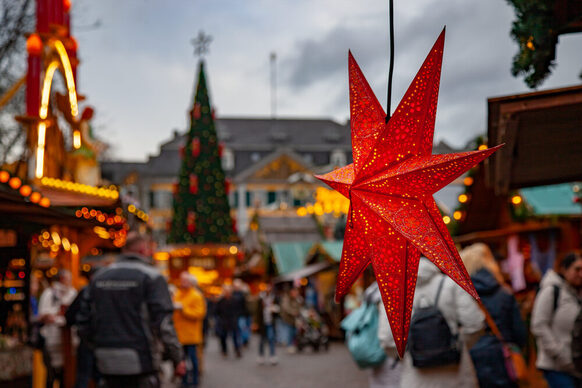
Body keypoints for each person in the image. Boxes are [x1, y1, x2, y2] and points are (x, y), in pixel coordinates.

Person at [77, 232, 185, 388]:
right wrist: (177, 357)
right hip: (141, 361)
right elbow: (163, 324)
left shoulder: (100, 277)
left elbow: (83, 322)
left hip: (106, 360)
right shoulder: (152, 277)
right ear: (143, 250)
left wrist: (97, 347)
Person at [400, 257, 485, 388]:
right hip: (457, 375)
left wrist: (413, 351)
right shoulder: (451, 284)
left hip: (416, 379)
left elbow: (388, 340)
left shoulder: (396, 293)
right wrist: (455, 345)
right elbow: (475, 324)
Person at [461, 243, 527, 388]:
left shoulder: (461, 295)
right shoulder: (504, 292)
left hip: (473, 361)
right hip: (504, 360)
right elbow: (519, 332)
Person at [531, 252, 582, 388]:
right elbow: (539, 325)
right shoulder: (551, 291)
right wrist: (560, 353)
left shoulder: (576, 292)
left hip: (576, 367)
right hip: (557, 367)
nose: (580, 274)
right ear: (564, 269)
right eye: (577, 269)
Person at [38, 269, 77, 388]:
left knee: (66, 376)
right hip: (51, 340)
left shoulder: (73, 293)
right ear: (61, 279)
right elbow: (43, 315)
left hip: (68, 342)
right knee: (51, 375)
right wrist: (56, 315)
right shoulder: (49, 293)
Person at [173, 272, 206, 388]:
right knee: (181, 360)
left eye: (185, 281)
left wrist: (183, 309)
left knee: (193, 359)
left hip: (191, 335)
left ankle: (195, 380)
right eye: (182, 280)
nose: (183, 283)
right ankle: (184, 380)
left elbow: (200, 313)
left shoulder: (196, 295)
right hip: (179, 334)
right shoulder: (177, 294)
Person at [368, 282, 401, 388]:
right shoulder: (393, 289)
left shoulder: (371, 290)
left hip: (375, 343)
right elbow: (387, 338)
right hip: (392, 349)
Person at [215, 284, 242, 358]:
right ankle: (224, 350)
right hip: (224, 321)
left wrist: (236, 317)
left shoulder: (235, 300)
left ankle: (237, 350)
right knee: (223, 337)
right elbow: (217, 311)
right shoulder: (221, 301)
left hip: (233, 320)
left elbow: (239, 309)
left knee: (235, 337)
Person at [255, 283, 279, 365]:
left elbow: (278, 310)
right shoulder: (261, 298)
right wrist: (256, 323)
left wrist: (274, 309)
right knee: (262, 340)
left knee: (271, 339)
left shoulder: (274, 297)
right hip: (263, 322)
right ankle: (261, 355)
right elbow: (257, 312)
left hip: (271, 322)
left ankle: (272, 356)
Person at [280, 287, 302, 353]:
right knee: (289, 332)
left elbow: (300, 307)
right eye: (295, 292)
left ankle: (294, 345)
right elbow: (286, 308)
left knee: (295, 332)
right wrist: (293, 312)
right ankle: (289, 346)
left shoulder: (297, 299)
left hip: (294, 320)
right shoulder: (286, 298)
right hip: (288, 319)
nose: (296, 294)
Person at [232, 278, 251, 347]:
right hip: (236, 314)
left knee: (243, 328)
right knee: (240, 328)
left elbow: (247, 304)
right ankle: (241, 341)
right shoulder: (233, 294)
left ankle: (244, 340)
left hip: (242, 314)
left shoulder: (243, 294)